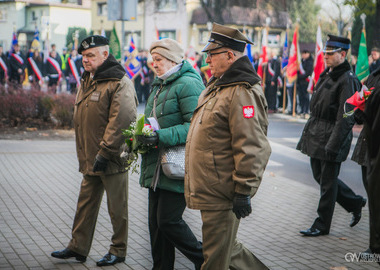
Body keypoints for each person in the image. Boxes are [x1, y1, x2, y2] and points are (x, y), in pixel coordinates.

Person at [185, 23, 271, 270]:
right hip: (212, 187)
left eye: (212, 55)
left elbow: (252, 144)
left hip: (223, 191)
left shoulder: (242, 90)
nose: (207, 60)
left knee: (214, 260)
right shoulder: (218, 85)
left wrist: (244, 189)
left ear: (230, 56)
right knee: (227, 250)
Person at [51, 35, 138, 267]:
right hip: (92, 156)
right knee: (85, 204)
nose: (85, 60)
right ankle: (78, 247)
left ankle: (118, 250)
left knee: (117, 208)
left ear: (105, 55)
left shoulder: (119, 81)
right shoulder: (89, 79)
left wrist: (105, 152)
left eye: (90, 55)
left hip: (111, 157)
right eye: (83, 56)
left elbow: (121, 121)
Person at [137, 38, 204, 270]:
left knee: (168, 221)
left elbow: (195, 126)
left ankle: (205, 259)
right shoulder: (160, 83)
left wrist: (161, 136)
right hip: (156, 165)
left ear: (173, 59)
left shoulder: (188, 84)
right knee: (156, 227)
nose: (153, 64)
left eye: (159, 60)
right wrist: (139, 136)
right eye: (152, 60)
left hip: (177, 165)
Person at [297, 34, 366, 237]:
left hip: (332, 138)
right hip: (318, 134)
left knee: (327, 184)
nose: (325, 56)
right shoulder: (328, 74)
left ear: (342, 54)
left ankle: (321, 224)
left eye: (330, 53)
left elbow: (345, 117)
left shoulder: (348, 80)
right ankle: (354, 202)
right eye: (325, 53)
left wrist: (334, 144)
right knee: (321, 177)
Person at [352, 66, 380, 263]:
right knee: (374, 197)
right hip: (372, 148)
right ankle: (375, 246)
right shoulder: (374, 78)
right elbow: (357, 108)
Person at [297, 50, 314, 117]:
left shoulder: (310, 62)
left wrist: (300, 76)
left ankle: (306, 110)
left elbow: (308, 72)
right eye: (302, 53)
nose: (303, 55)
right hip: (300, 82)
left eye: (305, 53)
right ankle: (301, 110)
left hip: (306, 81)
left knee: (306, 97)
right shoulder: (300, 62)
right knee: (301, 97)